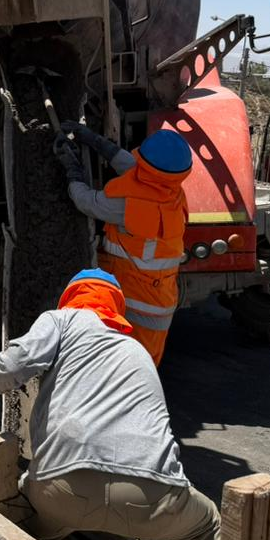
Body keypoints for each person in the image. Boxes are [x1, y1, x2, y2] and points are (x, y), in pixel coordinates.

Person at [0, 268, 220, 540]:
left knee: (31, 528)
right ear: (116, 309)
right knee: (206, 524)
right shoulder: (136, 348)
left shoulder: (63, 320)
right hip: (152, 500)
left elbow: (11, 368)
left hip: (62, 492)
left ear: (71, 298)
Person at [54, 123, 192, 365]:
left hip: (137, 307)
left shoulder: (129, 206)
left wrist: (71, 168)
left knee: (130, 369)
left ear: (149, 167)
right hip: (160, 297)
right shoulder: (172, 192)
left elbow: (86, 201)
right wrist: (93, 139)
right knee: (139, 368)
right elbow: (129, 164)